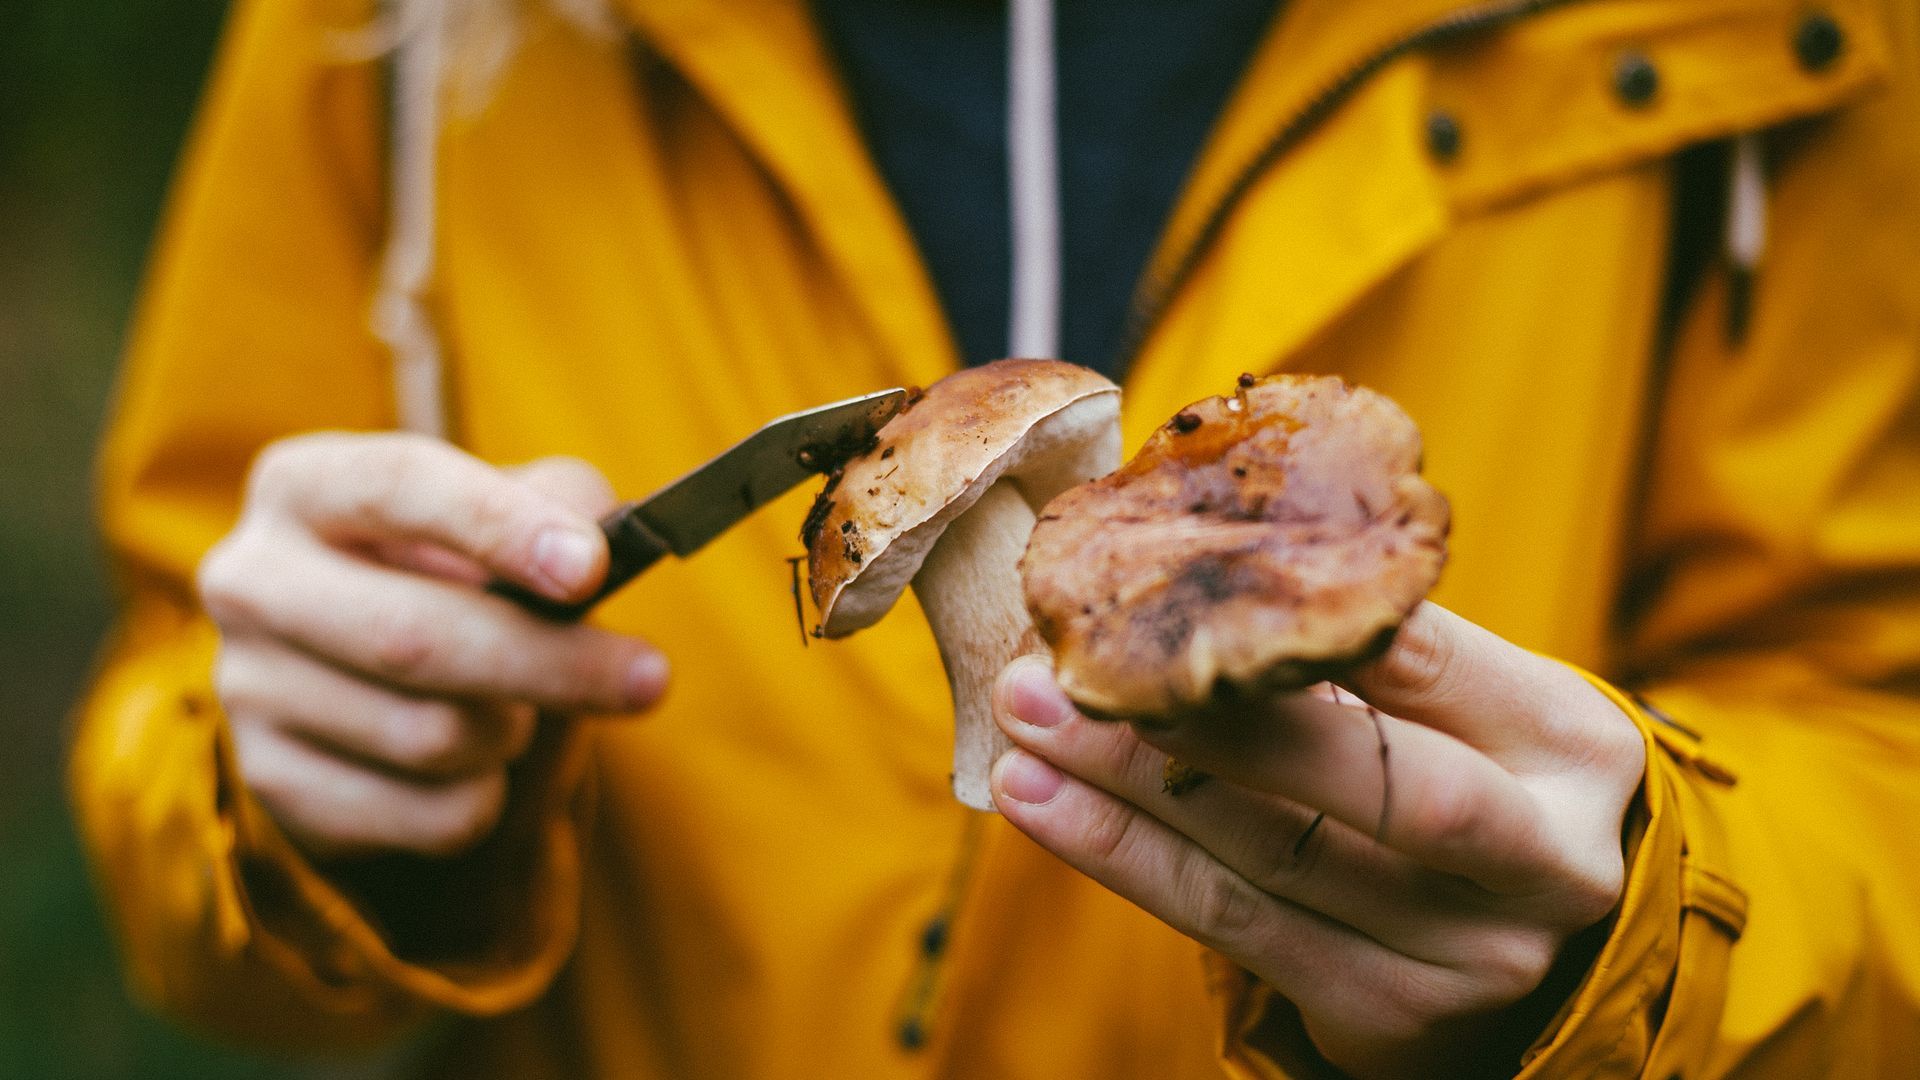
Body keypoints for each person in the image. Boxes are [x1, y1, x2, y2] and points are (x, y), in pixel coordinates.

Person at [70, 0, 1920, 1077]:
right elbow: (175, 703)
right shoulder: (398, 35)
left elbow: (1877, 720)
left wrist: (1641, 938)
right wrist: (306, 776)